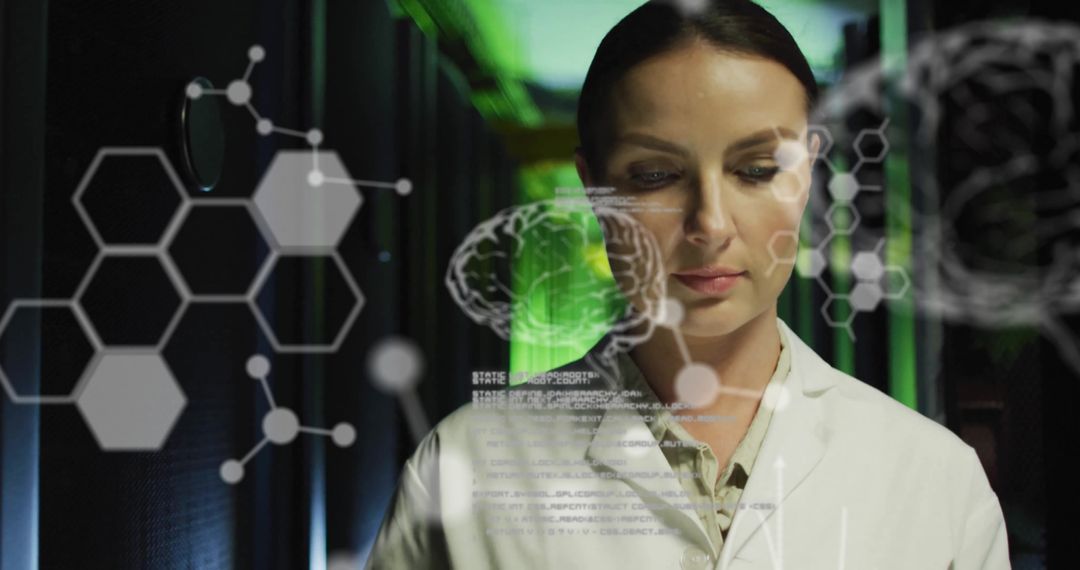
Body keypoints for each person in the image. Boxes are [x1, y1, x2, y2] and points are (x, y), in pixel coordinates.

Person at [365, 1, 1011, 568]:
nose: (710, 223)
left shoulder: (936, 482)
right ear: (594, 187)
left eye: (756, 170)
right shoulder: (463, 471)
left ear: (808, 174)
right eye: (653, 175)